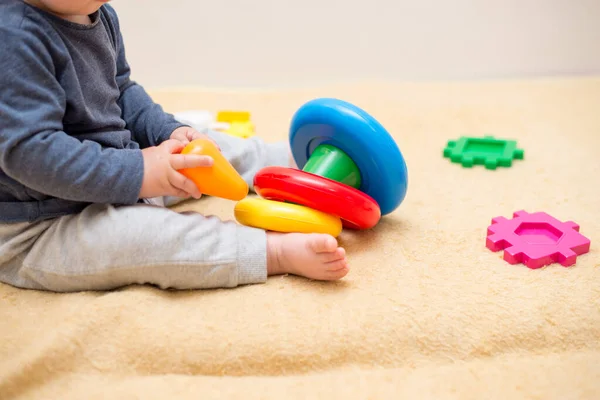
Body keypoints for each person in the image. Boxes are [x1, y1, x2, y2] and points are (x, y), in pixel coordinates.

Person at [0, 0, 349, 292]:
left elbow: (121, 93)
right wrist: (140, 171)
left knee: (202, 145)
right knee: (145, 238)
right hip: (42, 226)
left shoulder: (95, 12)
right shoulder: (13, 37)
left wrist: (168, 133)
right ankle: (270, 252)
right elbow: (31, 153)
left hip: (117, 172)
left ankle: (281, 161)